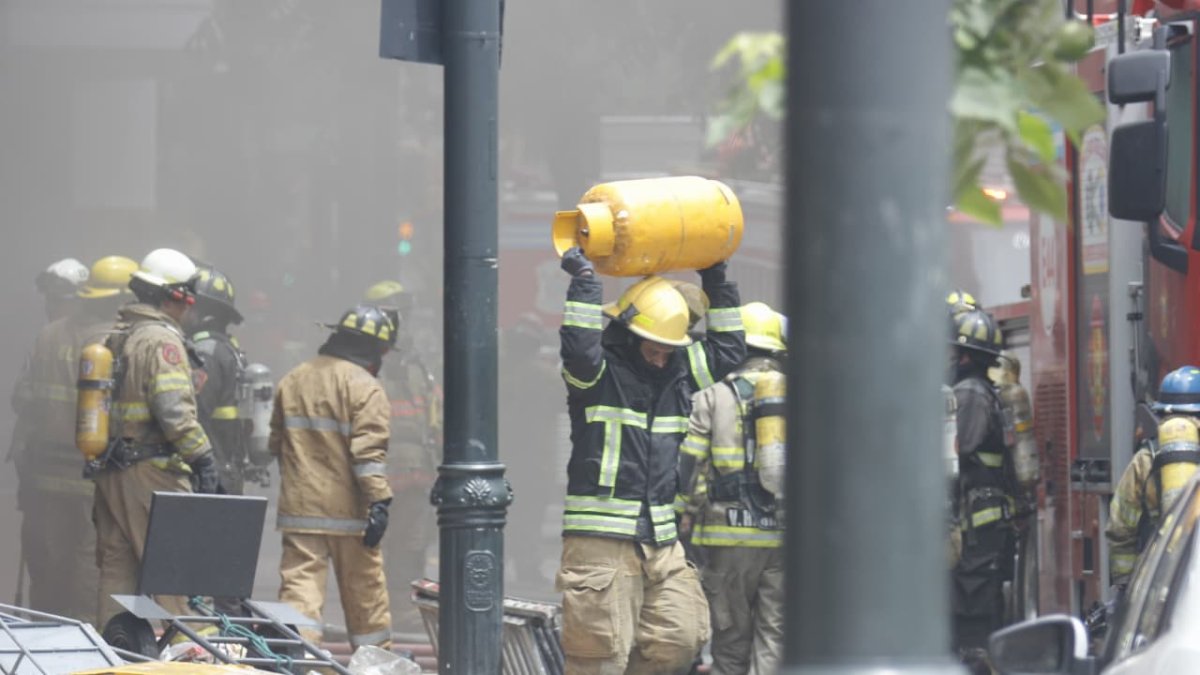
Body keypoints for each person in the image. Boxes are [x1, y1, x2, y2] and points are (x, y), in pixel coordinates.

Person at [556, 246, 744, 674]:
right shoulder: (597, 378)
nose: (661, 356)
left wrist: (715, 275)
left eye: (667, 349)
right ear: (628, 335)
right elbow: (580, 349)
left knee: (682, 635)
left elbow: (729, 351)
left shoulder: (680, 375)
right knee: (599, 657)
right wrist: (585, 281)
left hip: (660, 540)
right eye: (653, 347)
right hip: (602, 541)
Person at [92, 248, 218, 627]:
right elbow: (173, 411)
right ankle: (187, 655)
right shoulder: (161, 342)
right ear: (174, 296)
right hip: (153, 475)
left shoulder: (118, 336)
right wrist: (203, 458)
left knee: (119, 570)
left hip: (113, 473)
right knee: (175, 570)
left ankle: (118, 654)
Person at [11, 256, 137, 623]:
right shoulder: (114, 340)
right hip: (91, 474)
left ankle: (42, 632)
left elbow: (22, 399)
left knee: (47, 555)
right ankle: (82, 637)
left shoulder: (48, 335)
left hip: (43, 474)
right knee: (90, 557)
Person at [270, 305, 396, 649]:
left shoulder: (293, 378)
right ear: (374, 347)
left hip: (300, 511)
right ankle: (375, 666)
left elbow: (275, 443)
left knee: (299, 592)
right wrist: (379, 501)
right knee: (365, 594)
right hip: (350, 515)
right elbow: (368, 455)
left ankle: (299, 661)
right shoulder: (365, 387)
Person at [678, 301, 786, 675]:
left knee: (730, 639)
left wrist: (681, 516)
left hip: (726, 541)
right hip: (784, 540)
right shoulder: (802, 398)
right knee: (774, 635)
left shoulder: (712, 397)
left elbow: (689, 467)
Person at [364, 280, 442, 633]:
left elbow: (432, 411)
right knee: (381, 544)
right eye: (398, 315)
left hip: (416, 470)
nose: (404, 323)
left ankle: (403, 605)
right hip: (383, 470)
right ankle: (377, 609)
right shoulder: (369, 361)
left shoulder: (414, 363)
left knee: (412, 543)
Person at [948, 308, 1014, 656]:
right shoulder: (982, 390)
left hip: (976, 522)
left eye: (956, 352)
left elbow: (959, 451)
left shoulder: (970, 394)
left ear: (966, 355)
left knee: (971, 608)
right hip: (984, 521)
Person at [1107, 366, 1200, 587]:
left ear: (1161, 414)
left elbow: (1120, 527)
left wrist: (1125, 586)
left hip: (1159, 578)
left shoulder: (1145, 459)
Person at [187, 265, 262, 495]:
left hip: (210, 476)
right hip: (226, 472)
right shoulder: (228, 349)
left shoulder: (205, 354)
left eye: (189, 305)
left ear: (204, 312)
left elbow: (196, 416)